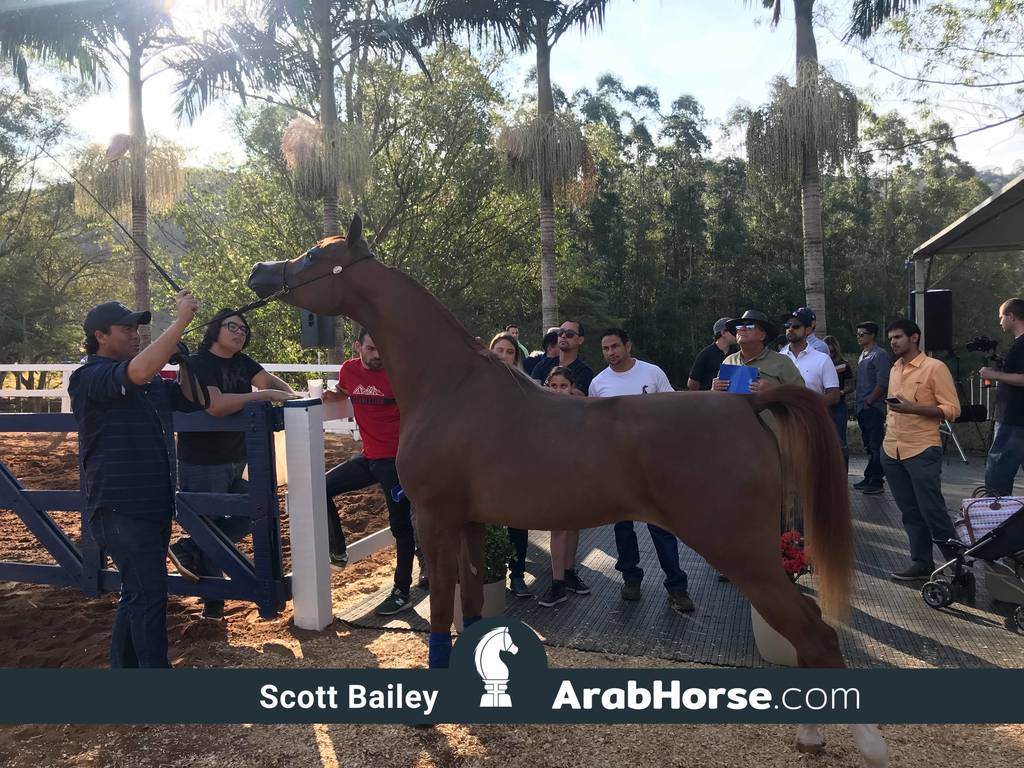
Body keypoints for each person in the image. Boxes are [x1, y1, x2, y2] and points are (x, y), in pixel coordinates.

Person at [69, 292, 205, 667]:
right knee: (148, 593)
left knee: (138, 592)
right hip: (119, 507)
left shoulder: (147, 382)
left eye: (138, 328)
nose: (136, 334)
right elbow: (138, 371)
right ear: (100, 335)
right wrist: (178, 323)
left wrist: (185, 360)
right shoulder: (89, 378)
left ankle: (124, 674)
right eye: (126, 328)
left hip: (152, 505)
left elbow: (195, 399)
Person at [168, 308, 296, 620]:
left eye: (243, 329)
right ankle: (214, 604)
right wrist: (265, 395)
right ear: (214, 329)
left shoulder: (243, 362)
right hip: (202, 459)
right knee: (209, 522)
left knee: (257, 511)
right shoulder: (198, 362)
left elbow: (267, 379)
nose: (240, 333)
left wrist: (289, 394)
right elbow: (217, 407)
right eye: (232, 327)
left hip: (236, 455)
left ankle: (188, 549)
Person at [589, 328, 694, 614]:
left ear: (628, 345)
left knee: (662, 527)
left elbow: (672, 411)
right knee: (623, 528)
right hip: (618, 469)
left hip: (654, 465)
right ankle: (631, 579)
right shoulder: (598, 384)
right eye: (605, 348)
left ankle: (677, 587)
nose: (610, 352)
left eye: (614, 346)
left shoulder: (653, 373)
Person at [322, 328, 417, 615]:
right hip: (369, 457)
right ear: (358, 347)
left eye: (383, 349)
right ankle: (338, 549)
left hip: (398, 461)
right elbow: (343, 389)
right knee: (321, 487)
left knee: (401, 524)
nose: (378, 355)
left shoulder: (399, 374)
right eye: (372, 349)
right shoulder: (349, 370)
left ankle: (402, 591)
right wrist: (334, 393)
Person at [882, 319, 961, 581]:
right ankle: (921, 562)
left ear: (914, 337)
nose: (893, 342)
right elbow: (892, 407)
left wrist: (914, 408)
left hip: (922, 449)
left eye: (898, 337)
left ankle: (958, 566)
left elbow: (952, 410)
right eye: (891, 338)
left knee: (933, 510)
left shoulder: (934, 368)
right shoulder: (894, 369)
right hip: (892, 450)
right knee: (910, 512)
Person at [537, 366, 592, 608]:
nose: (558, 391)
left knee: (573, 526)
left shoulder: (580, 412)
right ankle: (557, 581)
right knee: (559, 528)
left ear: (572, 389)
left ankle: (568, 573)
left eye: (564, 386)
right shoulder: (541, 414)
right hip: (552, 477)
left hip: (576, 475)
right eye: (554, 386)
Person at [489, 332, 534, 598]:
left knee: (518, 522)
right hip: (485, 464)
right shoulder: (474, 386)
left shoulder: (526, 386)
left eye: (509, 352)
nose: (503, 356)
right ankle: (490, 576)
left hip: (517, 463)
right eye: (499, 350)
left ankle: (517, 575)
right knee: (488, 522)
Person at [982, 298, 1024, 495]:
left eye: (1001, 317)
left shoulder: (1020, 346)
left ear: (1012, 316)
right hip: (1017, 418)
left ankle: (996, 517)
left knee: (998, 470)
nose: (1000, 322)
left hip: (1013, 418)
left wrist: (993, 374)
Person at [711, 310, 803, 392]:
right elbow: (716, 401)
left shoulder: (782, 362)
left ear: (762, 335)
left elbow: (802, 395)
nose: (742, 329)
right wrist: (714, 389)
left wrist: (773, 391)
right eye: (739, 327)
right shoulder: (729, 361)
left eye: (750, 326)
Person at [853, 321, 890, 495]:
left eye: (863, 334)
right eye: (858, 334)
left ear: (872, 335)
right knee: (869, 444)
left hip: (872, 407)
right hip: (862, 406)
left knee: (875, 444)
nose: (859, 337)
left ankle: (877, 480)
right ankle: (869, 476)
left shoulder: (879, 354)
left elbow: (882, 382)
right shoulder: (863, 354)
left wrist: (869, 401)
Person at [780, 309, 840, 403]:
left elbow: (834, 396)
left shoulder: (823, 359)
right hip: (784, 416)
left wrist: (809, 405)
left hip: (812, 416)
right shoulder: (779, 358)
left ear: (808, 330)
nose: (790, 329)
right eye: (788, 326)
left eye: (796, 326)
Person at [529, 320, 595, 395]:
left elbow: (577, 398)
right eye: (560, 333)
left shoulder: (585, 372)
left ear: (580, 340)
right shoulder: (543, 364)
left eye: (569, 334)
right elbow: (532, 391)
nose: (563, 336)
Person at [824, 334, 853, 466]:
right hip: (823, 405)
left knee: (840, 440)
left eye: (832, 351)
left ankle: (843, 471)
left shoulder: (844, 365)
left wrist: (840, 392)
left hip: (838, 405)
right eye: (828, 351)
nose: (830, 353)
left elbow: (851, 385)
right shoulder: (822, 363)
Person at [687, 318, 737, 391]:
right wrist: (705, 394)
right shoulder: (706, 354)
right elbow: (692, 382)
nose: (737, 333)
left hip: (731, 398)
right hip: (709, 399)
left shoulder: (736, 353)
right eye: (733, 331)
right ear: (723, 333)